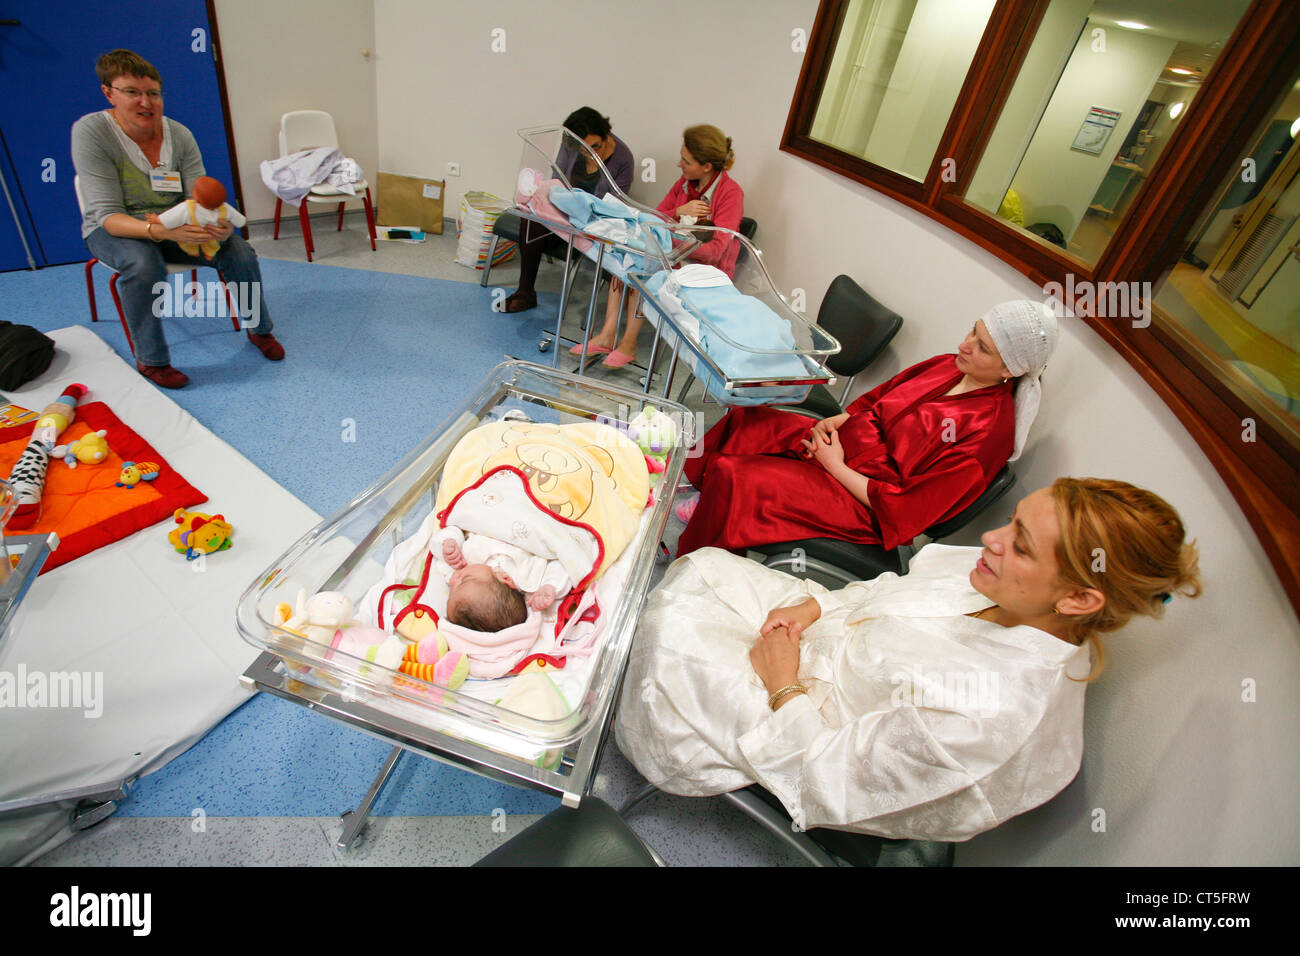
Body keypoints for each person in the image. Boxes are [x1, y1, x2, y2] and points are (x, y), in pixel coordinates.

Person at [614, 477, 1201, 842]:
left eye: (1020, 545)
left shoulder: (992, 715)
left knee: (670, 632)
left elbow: (828, 781)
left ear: (1077, 598)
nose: (992, 539)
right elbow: (879, 593)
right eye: (1013, 521)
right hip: (818, 643)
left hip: (805, 726)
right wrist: (813, 606)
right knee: (705, 565)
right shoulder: (993, 582)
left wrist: (783, 684)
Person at [675, 299, 1058, 556]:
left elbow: (906, 508)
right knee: (749, 419)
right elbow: (877, 400)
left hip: (864, 503)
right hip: (843, 445)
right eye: (973, 331)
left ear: (1010, 369)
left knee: (737, 475)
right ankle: (706, 503)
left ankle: (693, 562)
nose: (965, 344)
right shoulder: (947, 364)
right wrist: (836, 423)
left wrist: (834, 465)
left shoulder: (985, 435)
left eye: (983, 347)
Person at [72, 49, 284, 389]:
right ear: (108, 92)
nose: (146, 103)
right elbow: (108, 216)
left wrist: (217, 222)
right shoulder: (92, 132)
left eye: (153, 94)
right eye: (132, 92)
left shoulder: (180, 135)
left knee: (239, 251)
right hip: (115, 228)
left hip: (176, 222)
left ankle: (260, 330)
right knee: (144, 265)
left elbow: (197, 196)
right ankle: (152, 360)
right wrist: (161, 232)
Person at [577, 124, 743, 368]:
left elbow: (716, 251)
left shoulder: (731, 194)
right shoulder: (685, 183)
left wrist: (669, 241)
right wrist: (678, 212)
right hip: (672, 255)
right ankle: (607, 335)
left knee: (643, 265)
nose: (679, 165)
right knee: (627, 255)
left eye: (686, 161)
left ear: (706, 166)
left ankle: (628, 345)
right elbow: (657, 215)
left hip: (705, 271)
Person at [502, 107, 635, 314]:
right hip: (563, 212)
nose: (590, 152)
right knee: (530, 219)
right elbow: (556, 181)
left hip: (591, 222)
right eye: (584, 148)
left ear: (606, 134)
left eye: (596, 146)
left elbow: (614, 206)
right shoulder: (572, 144)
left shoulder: (623, 158)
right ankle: (525, 292)